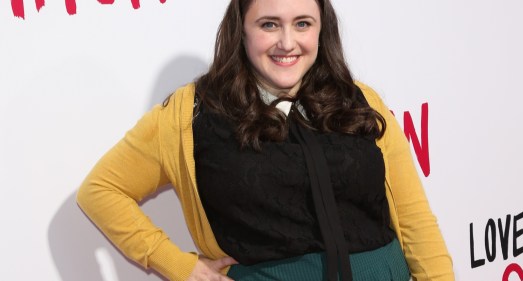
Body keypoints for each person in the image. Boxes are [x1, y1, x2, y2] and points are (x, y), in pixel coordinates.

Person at [77, 0, 455, 280]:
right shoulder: (189, 114)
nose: (287, 43)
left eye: (303, 24)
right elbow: (101, 190)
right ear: (241, 28)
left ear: (322, 29)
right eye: (269, 24)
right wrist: (180, 266)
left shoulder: (359, 100)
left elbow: (414, 220)